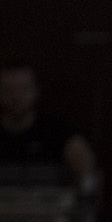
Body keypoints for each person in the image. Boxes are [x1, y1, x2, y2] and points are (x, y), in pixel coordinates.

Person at [0, 62, 97, 191]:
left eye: (23, 88)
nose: (16, 96)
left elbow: (85, 168)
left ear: (35, 91)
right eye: (8, 89)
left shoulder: (58, 129)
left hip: (50, 207)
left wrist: (85, 194)